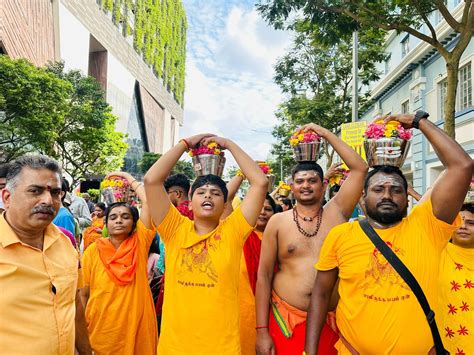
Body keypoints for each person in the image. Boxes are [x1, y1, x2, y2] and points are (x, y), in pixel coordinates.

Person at [305, 112, 472, 354]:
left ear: (407, 199)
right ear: (362, 198)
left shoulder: (428, 226)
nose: (386, 195)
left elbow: (462, 165)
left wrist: (419, 121)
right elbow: (320, 295)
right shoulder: (341, 235)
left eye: (395, 190)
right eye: (378, 189)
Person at [144, 134, 268, 354]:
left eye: (216, 193)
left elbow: (260, 182)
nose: (208, 196)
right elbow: (152, 180)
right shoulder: (174, 229)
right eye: (201, 192)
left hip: (222, 347)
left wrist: (229, 144)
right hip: (175, 346)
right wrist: (184, 144)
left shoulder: (234, 231)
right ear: (190, 202)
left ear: (224, 203)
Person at [256, 123, 368, 355]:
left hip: (331, 321)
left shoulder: (337, 212)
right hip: (285, 320)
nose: (305, 186)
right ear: (292, 187)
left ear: (323, 184)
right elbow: (264, 276)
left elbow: (360, 168)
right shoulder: (278, 222)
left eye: (312, 180)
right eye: (300, 181)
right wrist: (261, 330)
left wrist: (325, 133)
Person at [0, 154, 90, 354]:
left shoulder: (65, 243)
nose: (48, 200)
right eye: (35, 191)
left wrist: (86, 351)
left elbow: (73, 306)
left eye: (56, 192)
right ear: (7, 197)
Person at [80, 171, 158, 354]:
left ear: (134, 223)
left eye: (125, 216)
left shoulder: (140, 243)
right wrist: (81, 330)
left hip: (135, 324)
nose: (119, 220)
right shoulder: (94, 250)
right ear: (106, 224)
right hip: (101, 326)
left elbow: (149, 203)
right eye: (113, 217)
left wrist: (128, 177)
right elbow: (84, 293)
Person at [240, 193, 279, 355]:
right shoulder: (239, 235)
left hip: (273, 311)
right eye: (258, 208)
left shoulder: (281, 239)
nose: (262, 212)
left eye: (268, 209)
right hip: (243, 312)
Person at [438, 203, 474, 355]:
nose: (463, 226)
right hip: (444, 342)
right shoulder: (435, 252)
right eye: (457, 222)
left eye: (471, 223)